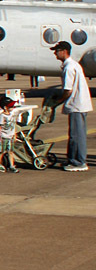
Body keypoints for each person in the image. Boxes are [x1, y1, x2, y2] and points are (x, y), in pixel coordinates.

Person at [52, 41, 91, 172]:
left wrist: (58, 101)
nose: (55, 53)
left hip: (76, 105)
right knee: (77, 133)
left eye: (57, 51)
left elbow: (67, 90)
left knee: (76, 135)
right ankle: (74, 158)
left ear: (64, 51)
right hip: (80, 104)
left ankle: (79, 162)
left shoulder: (69, 67)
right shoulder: (73, 65)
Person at [0, 96, 19, 173]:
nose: (13, 108)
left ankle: (11, 165)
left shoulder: (12, 115)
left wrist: (15, 135)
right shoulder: (1, 116)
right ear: (5, 107)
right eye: (11, 106)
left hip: (11, 136)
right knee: (1, 151)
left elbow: (13, 126)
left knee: (11, 151)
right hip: (4, 136)